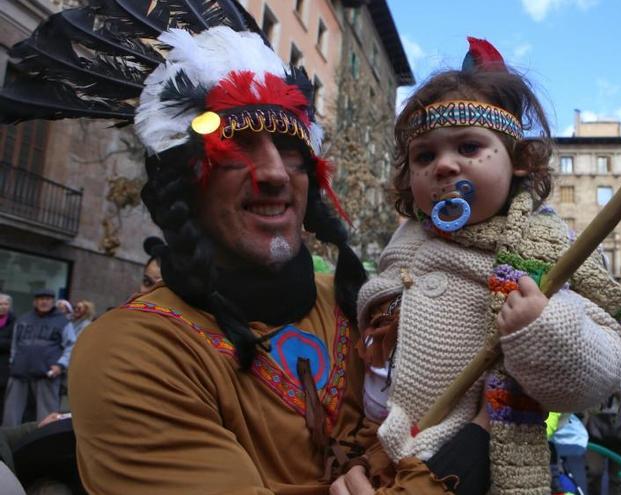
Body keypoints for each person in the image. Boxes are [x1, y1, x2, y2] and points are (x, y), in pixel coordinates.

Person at [0, 2, 493, 493]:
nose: (275, 173)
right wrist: (473, 448)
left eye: (292, 150)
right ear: (185, 184)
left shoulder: (359, 304)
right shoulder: (129, 352)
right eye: (235, 147)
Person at [356, 37, 621, 494]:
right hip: (381, 462)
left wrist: (544, 327)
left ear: (519, 161)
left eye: (469, 147)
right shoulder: (404, 241)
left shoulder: (544, 250)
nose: (445, 165)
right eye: (425, 155)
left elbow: (600, 372)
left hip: (477, 472)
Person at [2, 290, 76, 427]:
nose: (44, 302)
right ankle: (7, 445)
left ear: (53, 302)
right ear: (35, 302)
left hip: (47, 373)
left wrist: (60, 365)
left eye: (47, 299)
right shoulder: (23, 319)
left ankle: (45, 445)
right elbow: (14, 344)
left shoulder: (63, 322)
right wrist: (13, 362)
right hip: (19, 372)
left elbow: (72, 346)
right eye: (41, 299)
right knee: (11, 416)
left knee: (47, 417)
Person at [0, 293, 16, 419]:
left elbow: (14, 342)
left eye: (6, 304)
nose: (3, 306)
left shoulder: (14, 322)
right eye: (0, 304)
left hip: (3, 366)